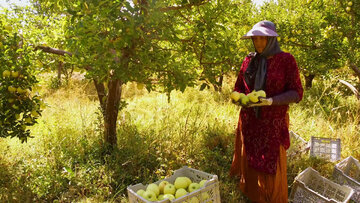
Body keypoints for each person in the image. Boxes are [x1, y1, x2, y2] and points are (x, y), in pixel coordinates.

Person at [229, 20, 303, 203]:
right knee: (252, 160)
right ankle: (254, 196)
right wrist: (238, 98)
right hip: (250, 121)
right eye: (256, 39)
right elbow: (238, 87)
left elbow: (297, 92)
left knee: (272, 166)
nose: (259, 43)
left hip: (273, 124)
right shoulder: (249, 60)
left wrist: (271, 101)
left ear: (272, 40)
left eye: (263, 39)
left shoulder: (286, 60)